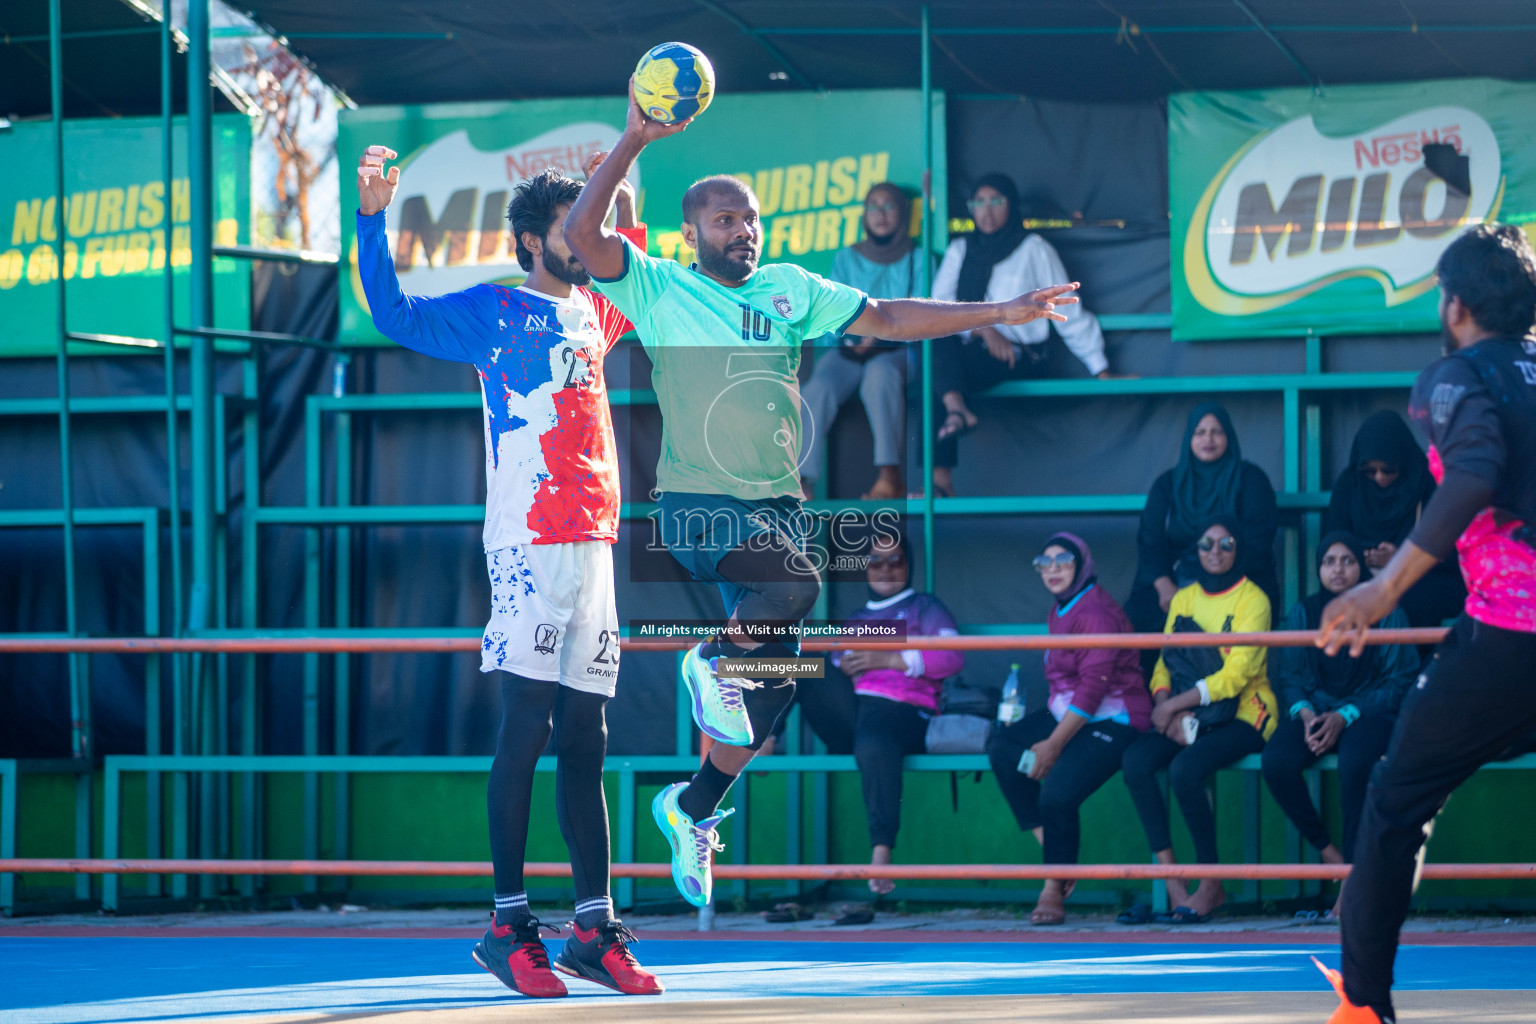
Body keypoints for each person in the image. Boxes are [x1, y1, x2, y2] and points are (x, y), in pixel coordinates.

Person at [561, 81, 1080, 909]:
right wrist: (633, 139)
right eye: (726, 219)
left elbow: (892, 317)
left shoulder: (790, 289)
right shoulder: (657, 286)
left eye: (752, 219)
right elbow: (583, 235)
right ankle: (708, 662)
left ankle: (691, 807)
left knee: (773, 697)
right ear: (692, 231)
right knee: (796, 583)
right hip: (696, 506)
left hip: (772, 508)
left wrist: (1004, 307)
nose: (744, 230)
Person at [354, 148, 661, 997]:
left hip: (595, 543)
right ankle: (508, 921)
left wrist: (627, 158)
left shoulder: (604, 307)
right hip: (525, 542)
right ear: (531, 241)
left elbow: (626, 230)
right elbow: (392, 310)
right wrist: (373, 218)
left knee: (589, 738)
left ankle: (594, 929)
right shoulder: (492, 310)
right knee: (527, 722)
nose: (588, 237)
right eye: (571, 227)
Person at [1315, 224, 1536, 1024]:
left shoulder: (1454, 376)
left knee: (1395, 802)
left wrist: (1380, 589)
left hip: (1513, 630)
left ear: (1455, 305)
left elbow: (1476, 471)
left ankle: (1364, 1005)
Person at [776, 531, 963, 896]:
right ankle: (765, 738)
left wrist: (890, 659)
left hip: (904, 712)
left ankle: (881, 850)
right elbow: (831, 668)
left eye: (895, 560)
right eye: (876, 560)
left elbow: (953, 655)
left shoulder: (925, 606)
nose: (886, 568)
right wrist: (842, 662)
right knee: (802, 661)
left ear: (908, 566)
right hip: (854, 715)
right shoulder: (856, 618)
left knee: (875, 739)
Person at [1120, 517, 1278, 923]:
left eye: (1226, 543)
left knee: (1185, 769)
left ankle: (1211, 884)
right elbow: (1165, 663)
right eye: (1207, 543)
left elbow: (1236, 676)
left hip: (1245, 714)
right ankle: (1174, 882)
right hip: (1187, 713)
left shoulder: (1253, 599)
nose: (1215, 551)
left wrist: (1173, 708)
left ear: (1238, 548)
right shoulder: (1185, 598)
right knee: (1137, 762)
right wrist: (1163, 705)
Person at [987, 533, 1150, 925]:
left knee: (1057, 793)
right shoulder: (1062, 606)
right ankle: (1057, 857)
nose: (1054, 569)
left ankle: (1051, 886)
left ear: (1082, 565)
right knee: (1003, 748)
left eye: (1064, 561)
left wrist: (1054, 746)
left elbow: (1094, 689)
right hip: (1071, 713)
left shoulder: (1094, 611)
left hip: (1115, 717)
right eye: (1046, 562)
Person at [923, 174, 1113, 497]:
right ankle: (956, 412)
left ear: (1011, 205)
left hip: (1021, 354)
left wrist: (1101, 369)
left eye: (995, 201)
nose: (986, 210)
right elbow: (938, 308)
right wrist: (985, 329)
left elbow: (1068, 312)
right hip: (973, 352)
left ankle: (942, 473)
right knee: (934, 342)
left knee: (941, 372)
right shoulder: (961, 249)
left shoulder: (1034, 249)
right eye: (978, 202)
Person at [1263, 532, 1417, 916]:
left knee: (1356, 764)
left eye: (1347, 561)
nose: (1338, 569)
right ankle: (1331, 855)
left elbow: (1398, 682)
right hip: (1315, 711)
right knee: (1277, 762)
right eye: (1329, 561)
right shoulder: (1304, 612)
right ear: (1319, 568)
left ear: (1361, 568)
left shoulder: (1387, 610)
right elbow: (1290, 676)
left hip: (1367, 713)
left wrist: (1345, 714)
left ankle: (1353, 881)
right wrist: (1306, 714)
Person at [799, 183, 931, 501]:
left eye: (889, 206)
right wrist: (852, 339)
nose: (881, 214)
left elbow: (928, 311)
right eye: (873, 206)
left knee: (880, 376)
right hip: (849, 349)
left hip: (899, 349)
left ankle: (889, 476)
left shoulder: (918, 257)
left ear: (903, 213)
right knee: (817, 388)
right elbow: (831, 309)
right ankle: (801, 481)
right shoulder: (847, 257)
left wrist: (882, 333)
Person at [1126, 402, 1279, 673]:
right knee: (1139, 617)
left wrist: (1214, 593)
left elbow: (1257, 543)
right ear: (1189, 439)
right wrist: (1165, 589)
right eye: (1200, 432)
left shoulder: (1250, 479)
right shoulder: (1168, 484)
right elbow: (1150, 542)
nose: (1208, 439)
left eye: (1217, 432)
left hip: (1236, 578)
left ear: (1228, 436)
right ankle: (1153, 699)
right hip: (1175, 581)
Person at [1325, 410, 1465, 645]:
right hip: (1362, 575)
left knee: (1410, 599)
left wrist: (1403, 558)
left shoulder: (1426, 481)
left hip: (1423, 579)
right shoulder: (1350, 485)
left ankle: (1408, 675)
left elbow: (1454, 549)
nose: (1379, 477)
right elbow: (1333, 539)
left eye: (1388, 470)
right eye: (1370, 471)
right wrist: (1357, 557)